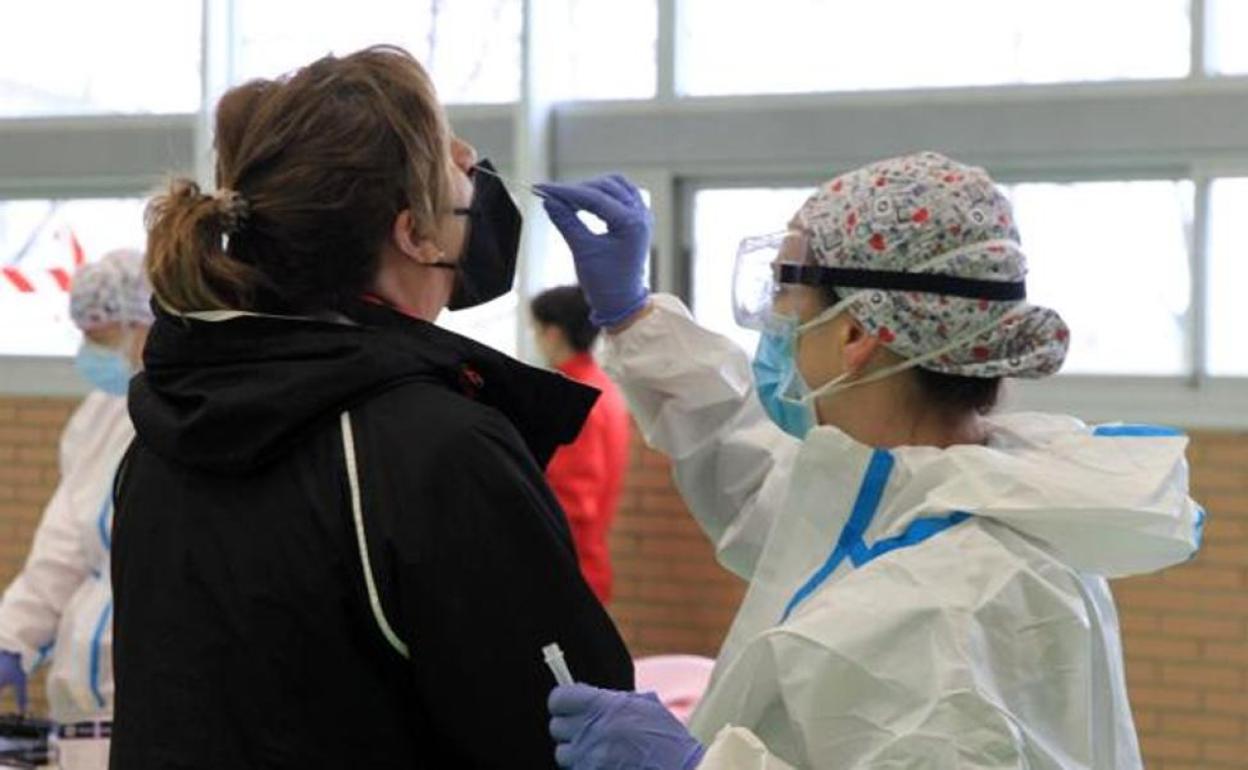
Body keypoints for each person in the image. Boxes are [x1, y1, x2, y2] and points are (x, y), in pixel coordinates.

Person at [536, 154, 1205, 769]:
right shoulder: (931, 492)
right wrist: (633, 318)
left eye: (785, 291)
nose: (774, 320)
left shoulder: (945, 605)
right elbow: (761, 482)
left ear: (855, 332)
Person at [109, 46, 632, 769]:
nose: (471, 158)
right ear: (414, 232)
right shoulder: (437, 451)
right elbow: (563, 735)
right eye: (446, 149)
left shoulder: (166, 428)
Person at [0, 249, 152, 770]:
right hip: (79, 714)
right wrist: (11, 640)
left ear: (147, 323)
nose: (93, 353)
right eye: (87, 337)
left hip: (147, 708)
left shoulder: (188, 419)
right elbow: (60, 554)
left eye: (104, 338)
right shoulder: (98, 418)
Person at [531, 286, 631, 604]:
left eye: (536, 330)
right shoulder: (600, 388)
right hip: (584, 565)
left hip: (563, 572)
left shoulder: (570, 398)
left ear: (553, 333)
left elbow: (571, 501)